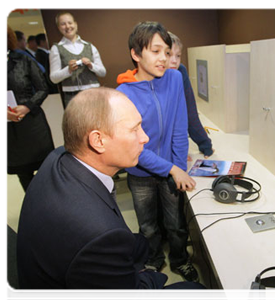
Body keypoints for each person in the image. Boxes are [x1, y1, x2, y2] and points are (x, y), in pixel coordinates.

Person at [16, 87, 211, 300]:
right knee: (196, 292)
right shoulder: (98, 233)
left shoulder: (59, 156)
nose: (144, 137)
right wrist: (153, 275)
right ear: (98, 140)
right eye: (134, 129)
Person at [116, 21, 198, 282]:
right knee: (148, 227)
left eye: (167, 51)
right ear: (136, 54)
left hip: (171, 169)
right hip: (140, 173)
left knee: (176, 224)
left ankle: (179, 259)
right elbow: (134, 147)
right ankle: (153, 260)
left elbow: (179, 127)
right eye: (156, 51)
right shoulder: (123, 93)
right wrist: (172, 168)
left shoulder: (174, 79)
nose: (164, 58)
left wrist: (178, 168)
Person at [5, 23, 54, 191]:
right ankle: (35, 210)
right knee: (23, 175)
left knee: (46, 170)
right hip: (9, 130)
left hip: (33, 123)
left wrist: (27, 106)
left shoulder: (22, 59)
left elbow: (42, 88)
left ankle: (54, 208)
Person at [167, 32, 214, 159]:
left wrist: (205, 145)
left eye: (178, 56)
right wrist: (175, 152)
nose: (174, 61)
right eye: (168, 54)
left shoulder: (180, 71)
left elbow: (190, 112)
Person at [49, 11, 106, 108]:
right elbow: (54, 78)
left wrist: (91, 65)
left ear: (75, 24)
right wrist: (68, 70)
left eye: (70, 23)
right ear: (58, 27)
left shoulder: (89, 46)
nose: (67, 26)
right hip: (72, 96)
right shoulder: (56, 49)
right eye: (63, 24)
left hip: (94, 93)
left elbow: (103, 73)